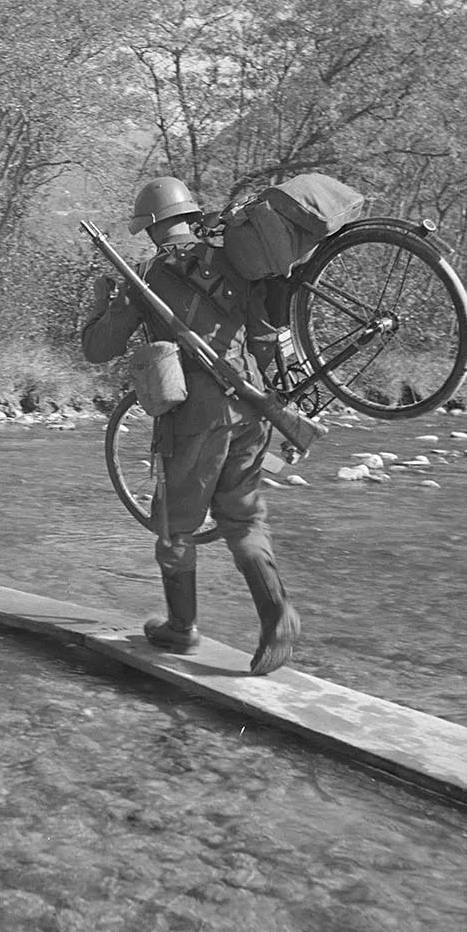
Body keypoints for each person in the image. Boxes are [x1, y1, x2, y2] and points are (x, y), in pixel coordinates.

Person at [81, 176, 301, 675]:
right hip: (252, 410)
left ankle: (181, 628)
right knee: (243, 520)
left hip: (196, 421)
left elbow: (97, 348)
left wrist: (102, 300)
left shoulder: (148, 274)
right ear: (189, 215)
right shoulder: (237, 260)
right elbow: (266, 335)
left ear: (154, 227)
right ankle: (277, 615)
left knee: (174, 528)